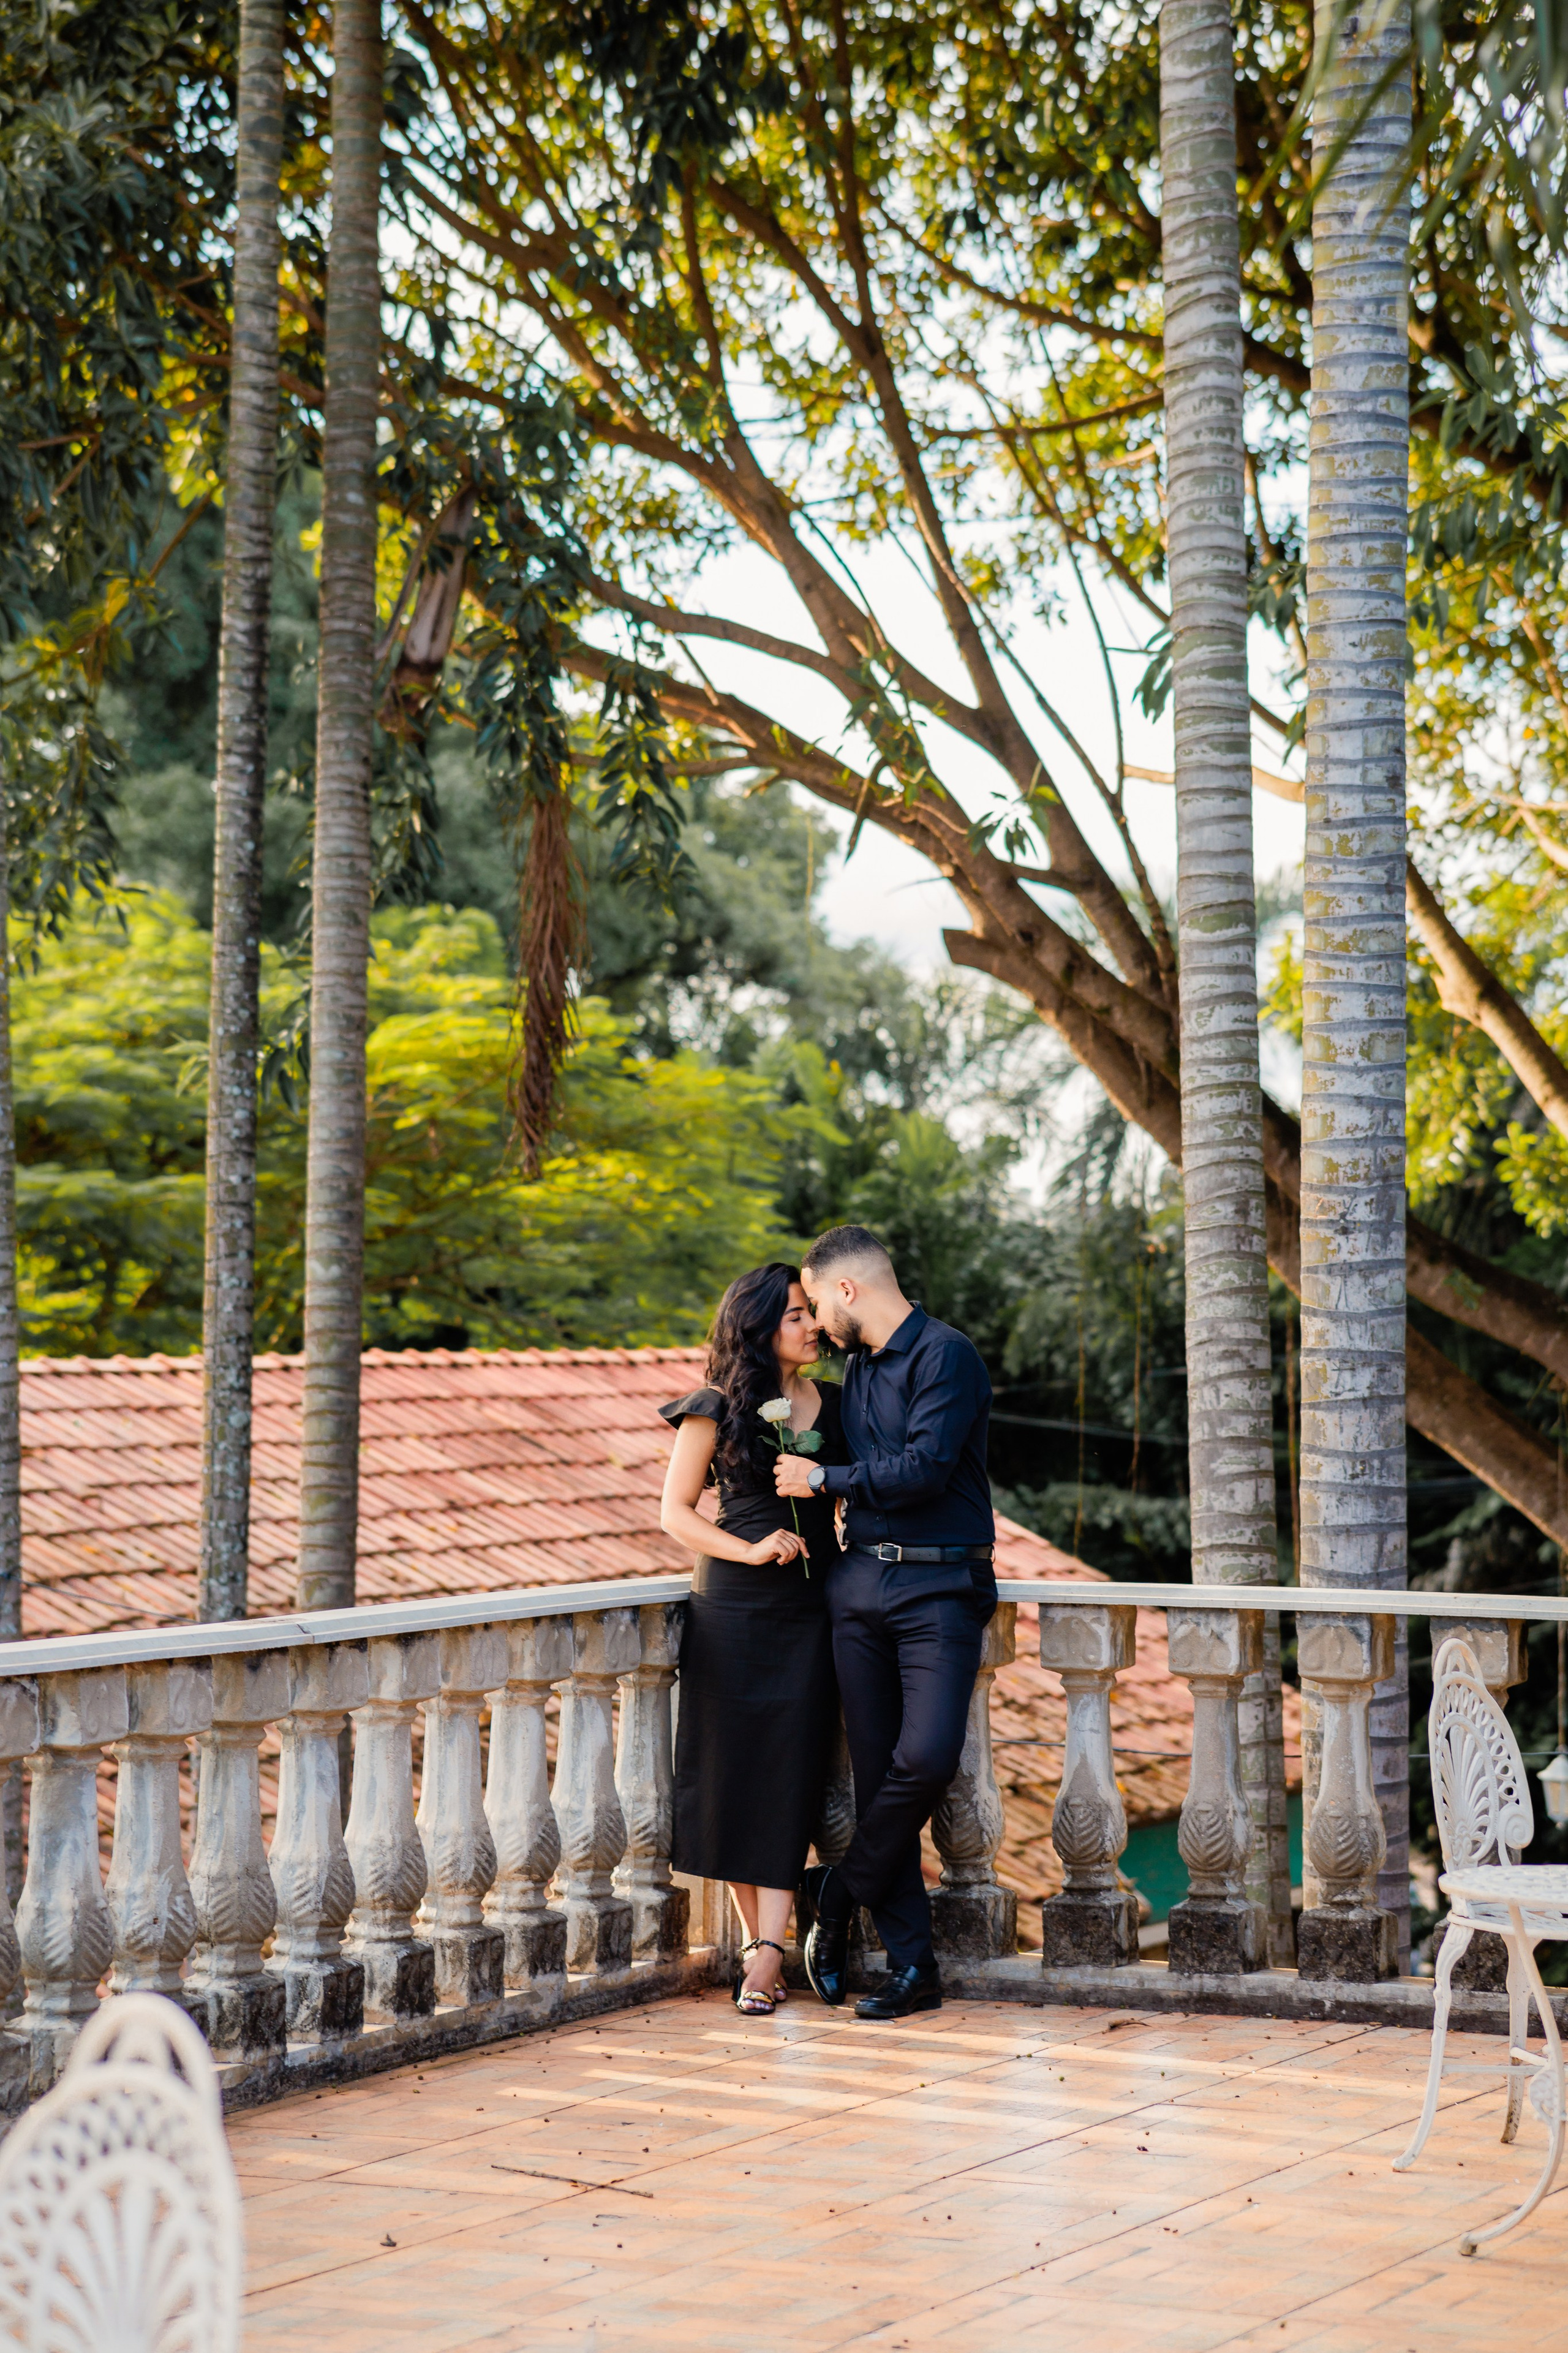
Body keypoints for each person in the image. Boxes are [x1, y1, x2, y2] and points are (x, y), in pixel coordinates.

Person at [774, 1224, 995, 2022]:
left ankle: (835, 1897)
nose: (820, 1326)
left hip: (941, 1585)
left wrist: (824, 1476)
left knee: (926, 1758)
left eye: (817, 1302)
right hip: (858, 1585)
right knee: (876, 1782)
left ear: (848, 1290)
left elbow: (926, 1468)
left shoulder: (947, 1356)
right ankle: (913, 1968)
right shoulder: (858, 1368)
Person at [658, 1263, 845, 2015]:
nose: (811, 1326)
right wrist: (750, 1549)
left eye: (810, 1313)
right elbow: (675, 1512)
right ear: (760, 1325)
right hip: (732, 1606)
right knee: (730, 1778)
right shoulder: (714, 1406)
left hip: (811, 1609)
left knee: (787, 1772)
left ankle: (768, 1949)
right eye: (796, 1315)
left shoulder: (835, 1401)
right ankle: (763, 1948)